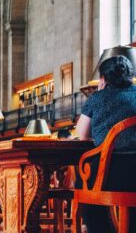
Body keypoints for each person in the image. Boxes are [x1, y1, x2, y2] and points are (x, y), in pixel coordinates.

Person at [76, 55, 136, 233]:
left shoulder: (98, 98)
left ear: (103, 79)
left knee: (85, 179)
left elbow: (82, 134)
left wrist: (99, 95)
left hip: (109, 171)